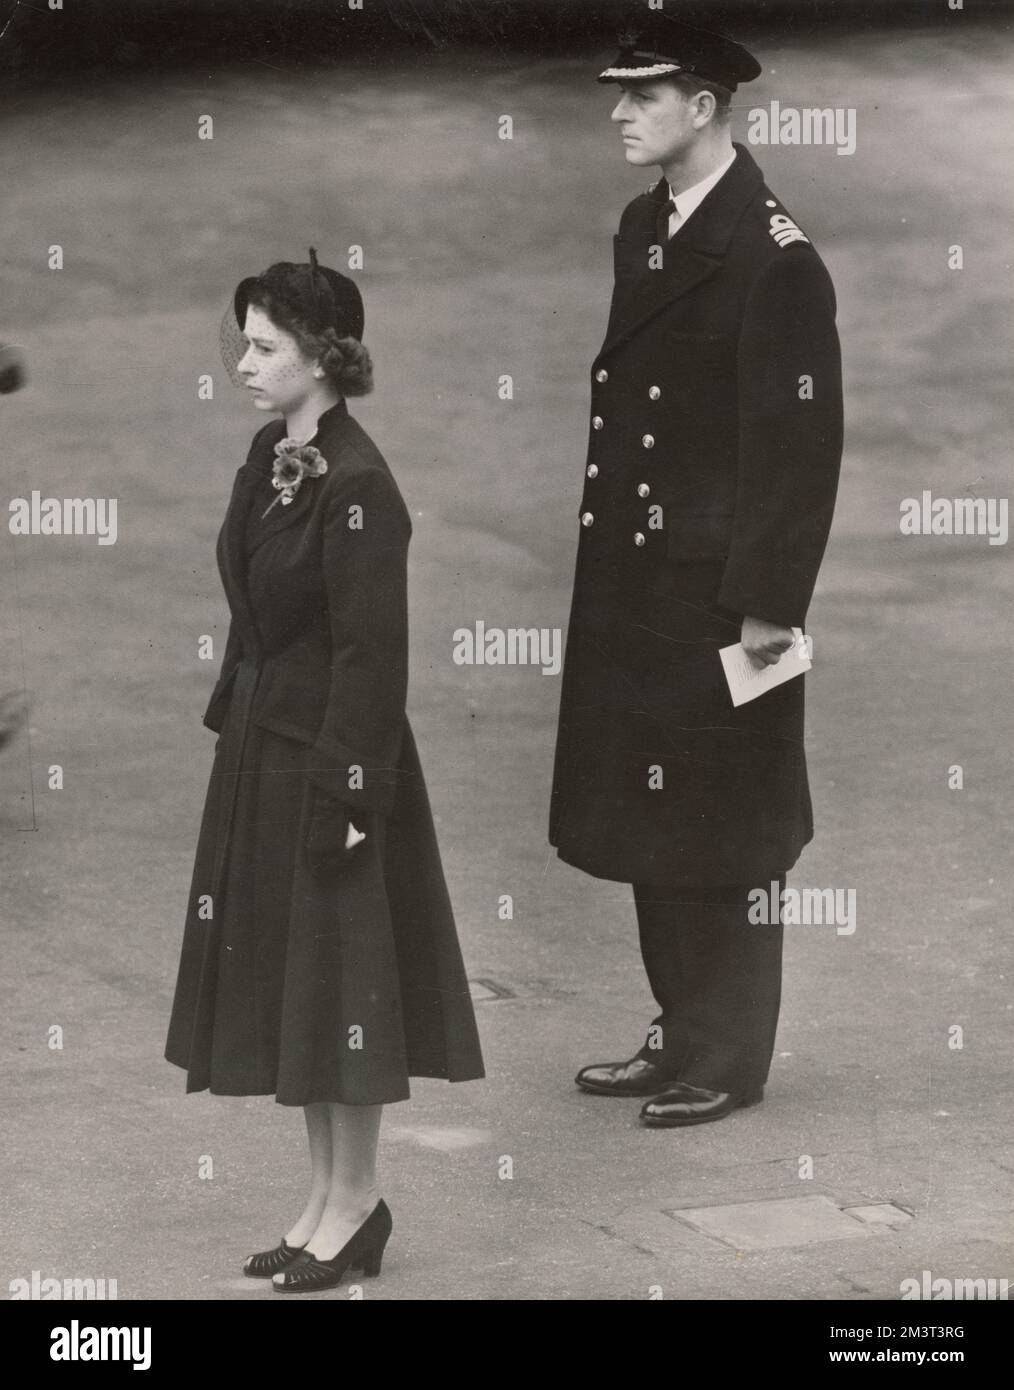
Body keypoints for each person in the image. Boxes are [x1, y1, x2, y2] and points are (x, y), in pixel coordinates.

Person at [165, 251, 484, 1291]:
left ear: (324, 357)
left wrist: (352, 794)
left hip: (335, 766)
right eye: (243, 343)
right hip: (266, 749)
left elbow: (371, 657)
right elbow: (250, 598)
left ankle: (357, 1204)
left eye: (264, 347)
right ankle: (322, 1202)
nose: (244, 364)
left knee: (345, 988)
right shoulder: (274, 454)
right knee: (304, 992)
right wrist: (236, 725)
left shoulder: (359, 485)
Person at [549, 17, 844, 1127]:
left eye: (643, 95)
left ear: (706, 105)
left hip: (722, 591)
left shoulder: (775, 258)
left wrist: (771, 602)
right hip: (640, 578)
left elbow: (800, 446)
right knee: (650, 808)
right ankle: (677, 1029)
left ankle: (729, 1053)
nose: (620, 113)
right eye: (617, 93)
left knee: (728, 820)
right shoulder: (649, 224)